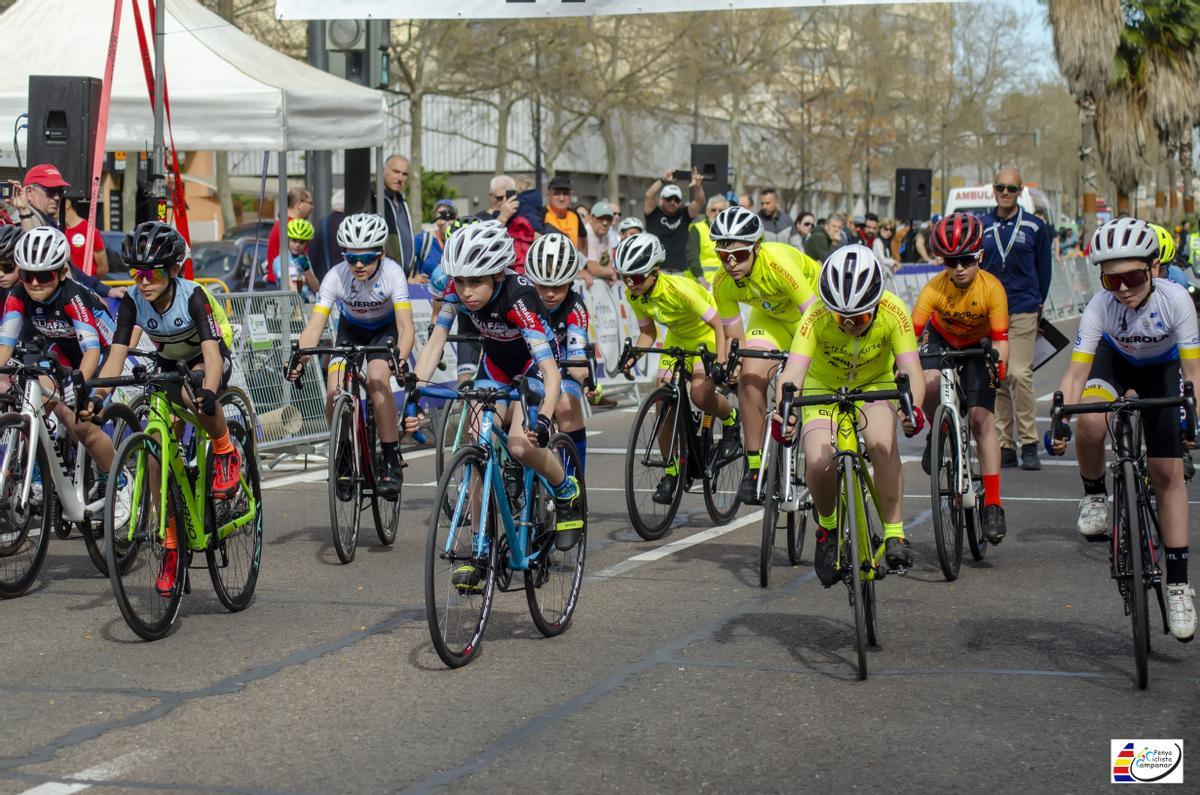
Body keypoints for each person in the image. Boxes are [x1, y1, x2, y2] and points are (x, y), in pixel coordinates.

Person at [406, 221, 584, 586]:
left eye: (476, 282)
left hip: (532, 367)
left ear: (498, 275)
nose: (466, 292)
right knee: (477, 439)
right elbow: (438, 338)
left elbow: (551, 373)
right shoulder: (454, 288)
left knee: (520, 444)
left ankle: (567, 489)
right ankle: (479, 548)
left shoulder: (520, 298)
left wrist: (545, 420)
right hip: (496, 366)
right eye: (461, 281)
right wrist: (414, 391)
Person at [1047, 217, 1197, 641]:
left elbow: (1192, 372)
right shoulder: (1100, 306)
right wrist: (1062, 415)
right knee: (1091, 419)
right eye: (1112, 281)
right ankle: (1096, 496)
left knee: (1168, 473)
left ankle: (1179, 584)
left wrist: (1192, 417)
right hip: (1113, 362)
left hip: (1163, 370)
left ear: (1152, 267)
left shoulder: (1176, 301)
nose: (1124, 288)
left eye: (1132, 276)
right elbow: (1075, 374)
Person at [86, 222, 239, 595]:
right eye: (136, 272)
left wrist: (209, 390)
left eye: (151, 273)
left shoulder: (194, 297)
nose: (142, 281)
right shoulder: (132, 301)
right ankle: (171, 546)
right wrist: (97, 397)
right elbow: (115, 358)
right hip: (170, 363)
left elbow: (213, 358)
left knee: (192, 395)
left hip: (208, 358)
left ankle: (225, 451)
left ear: (172, 270)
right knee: (155, 453)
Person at [774, 245, 925, 582]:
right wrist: (783, 411)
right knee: (817, 461)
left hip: (874, 384)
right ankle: (827, 527)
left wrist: (911, 405)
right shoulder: (814, 316)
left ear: (875, 304)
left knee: (882, 443)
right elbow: (793, 372)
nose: (850, 324)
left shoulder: (893, 310)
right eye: (841, 317)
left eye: (859, 317)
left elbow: (911, 367)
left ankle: (895, 531)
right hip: (822, 388)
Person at [0, 226, 129, 521]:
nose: (33, 282)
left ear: (60, 272)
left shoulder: (73, 297)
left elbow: (93, 352)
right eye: (26, 274)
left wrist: (80, 385)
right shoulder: (18, 294)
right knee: (35, 399)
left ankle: (118, 484)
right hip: (63, 351)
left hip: (99, 353)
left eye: (43, 275)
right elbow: (4, 346)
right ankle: (36, 475)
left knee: (82, 425)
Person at [288, 213, 415, 496]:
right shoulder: (335, 276)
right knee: (334, 390)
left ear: (381, 254)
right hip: (350, 330)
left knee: (377, 378)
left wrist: (401, 359)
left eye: (367, 258)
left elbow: (407, 328)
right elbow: (314, 327)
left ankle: (391, 458)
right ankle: (344, 455)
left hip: (384, 330)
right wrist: (301, 359)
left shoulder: (393, 273)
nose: (358, 265)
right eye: (351, 257)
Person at [708, 206, 820, 503]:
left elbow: (812, 318)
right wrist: (733, 365)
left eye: (740, 255)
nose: (731, 263)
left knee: (801, 385)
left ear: (757, 247)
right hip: (770, 320)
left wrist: (798, 368)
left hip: (811, 317)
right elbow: (735, 337)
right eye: (723, 255)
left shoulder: (780, 264)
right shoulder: (722, 282)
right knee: (750, 376)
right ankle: (755, 465)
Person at [615, 232, 737, 501]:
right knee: (663, 401)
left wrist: (722, 360)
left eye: (635, 278)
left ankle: (731, 420)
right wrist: (634, 356)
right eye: (625, 277)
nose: (630, 284)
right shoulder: (634, 295)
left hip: (705, 335)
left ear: (654, 271)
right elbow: (648, 333)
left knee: (699, 394)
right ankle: (671, 471)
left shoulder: (678, 289)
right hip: (677, 339)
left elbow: (717, 324)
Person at [912, 213, 1010, 543]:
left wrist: (999, 368)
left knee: (982, 419)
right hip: (941, 340)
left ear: (979, 256)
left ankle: (993, 503)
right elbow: (908, 339)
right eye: (951, 261)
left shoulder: (992, 289)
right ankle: (936, 430)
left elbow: (1001, 342)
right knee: (926, 381)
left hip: (980, 346)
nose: (959, 268)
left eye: (966, 259)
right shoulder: (933, 289)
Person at [979, 167, 1053, 471]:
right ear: (993, 189)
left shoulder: (1035, 226)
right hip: (990, 311)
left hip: (1023, 306)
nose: (1005, 193)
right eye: (1000, 187)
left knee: (1020, 374)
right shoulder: (981, 224)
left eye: (1011, 189)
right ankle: (1005, 444)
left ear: (1020, 191)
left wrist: (1038, 303)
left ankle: (1029, 441)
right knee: (997, 376)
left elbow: (1044, 269)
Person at [524, 233, 597, 471]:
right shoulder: (520, 300)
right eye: (543, 286)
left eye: (558, 287)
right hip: (526, 364)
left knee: (566, 406)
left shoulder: (575, 307)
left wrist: (587, 381)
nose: (550, 294)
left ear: (570, 283)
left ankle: (574, 486)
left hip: (561, 365)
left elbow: (576, 358)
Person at [644, 167, 705, 274]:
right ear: (661, 200)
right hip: (657, 270)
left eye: (676, 199)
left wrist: (698, 186)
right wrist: (662, 180)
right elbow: (649, 195)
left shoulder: (684, 214)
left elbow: (699, 201)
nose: (672, 202)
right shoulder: (653, 213)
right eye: (669, 198)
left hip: (679, 271)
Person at [480, 175, 537, 267]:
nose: (504, 201)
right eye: (499, 198)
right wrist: (503, 217)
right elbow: (483, 245)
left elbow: (538, 237)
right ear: (490, 196)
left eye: (508, 196)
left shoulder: (523, 213)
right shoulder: (480, 218)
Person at [265, 187, 313, 283]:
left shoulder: (281, 224)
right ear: (299, 204)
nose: (312, 207)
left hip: (279, 284)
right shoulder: (293, 229)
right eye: (310, 203)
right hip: (284, 287)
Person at [379, 155, 415, 273]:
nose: (400, 178)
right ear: (384, 170)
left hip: (404, 278)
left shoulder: (401, 201)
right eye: (396, 172)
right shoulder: (374, 199)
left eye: (404, 174)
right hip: (385, 277)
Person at [8, 164, 69, 230]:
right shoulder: (21, 223)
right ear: (29, 192)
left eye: (60, 191)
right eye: (50, 190)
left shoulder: (48, 220)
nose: (57, 197)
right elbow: (28, 239)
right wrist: (24, 212)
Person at [271, 218, 319, 299]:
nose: (297, 245)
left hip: (308, 305)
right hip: (290, 306)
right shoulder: (279, 261)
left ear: (306, 243)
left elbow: (316, 289)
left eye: (302, 242)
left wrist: (307, 270)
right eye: (294, 240)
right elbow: (291, 289)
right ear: (288, 240)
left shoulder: (305, 258)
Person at [687, 195, 729, 288]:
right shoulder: (697, 229)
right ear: (707, 211)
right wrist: (701, 279)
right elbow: (692, 257)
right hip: (703, 283)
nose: (717, 213)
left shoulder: (730, 231)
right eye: (713, 210)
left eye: (721, 211)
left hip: (724, 283)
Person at [413, 199, 457, 282]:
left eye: (449, 215)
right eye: (440, 215)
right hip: (424, 291)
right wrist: (411, 279)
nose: (444, 220)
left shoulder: (457, 243)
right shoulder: (423, 240)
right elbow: (406, 260)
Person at [62, 198, 108, 276]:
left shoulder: (89, 231)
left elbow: (103, 268)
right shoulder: (58, 229)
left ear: (67, 203)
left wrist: (88, 282)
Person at [543, 175, 586, 249]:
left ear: (571, 195)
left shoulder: (575, 215)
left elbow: (582, 242)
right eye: (557, 194)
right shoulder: (541, 214)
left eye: (566, 194)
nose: (561, 198)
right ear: (548, 195)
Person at [582, 200, 618, 285]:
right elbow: (593, 268)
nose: (605, 223)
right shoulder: (587, 232)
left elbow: (608, 263)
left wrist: (609, 272)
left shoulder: (607, 234)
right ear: (591, 218)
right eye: (601, 218)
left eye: (608, 219)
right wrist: (611, 273)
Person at [1149, 223, 1190, 288]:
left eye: (1160, 270)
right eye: (1148, 269)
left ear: (1168, 266)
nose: (1155, 275)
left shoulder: (1179, 279)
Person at [873, 217, 899, 291]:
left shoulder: (886, 242)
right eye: (886, 229)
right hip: (878, 279)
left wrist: (893, 265)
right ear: (880, 228)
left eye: (891, 230)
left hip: (885, 278)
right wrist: (894, 262)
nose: (888, 232)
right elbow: (882, 259)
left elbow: (888, 258)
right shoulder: (878, 241)